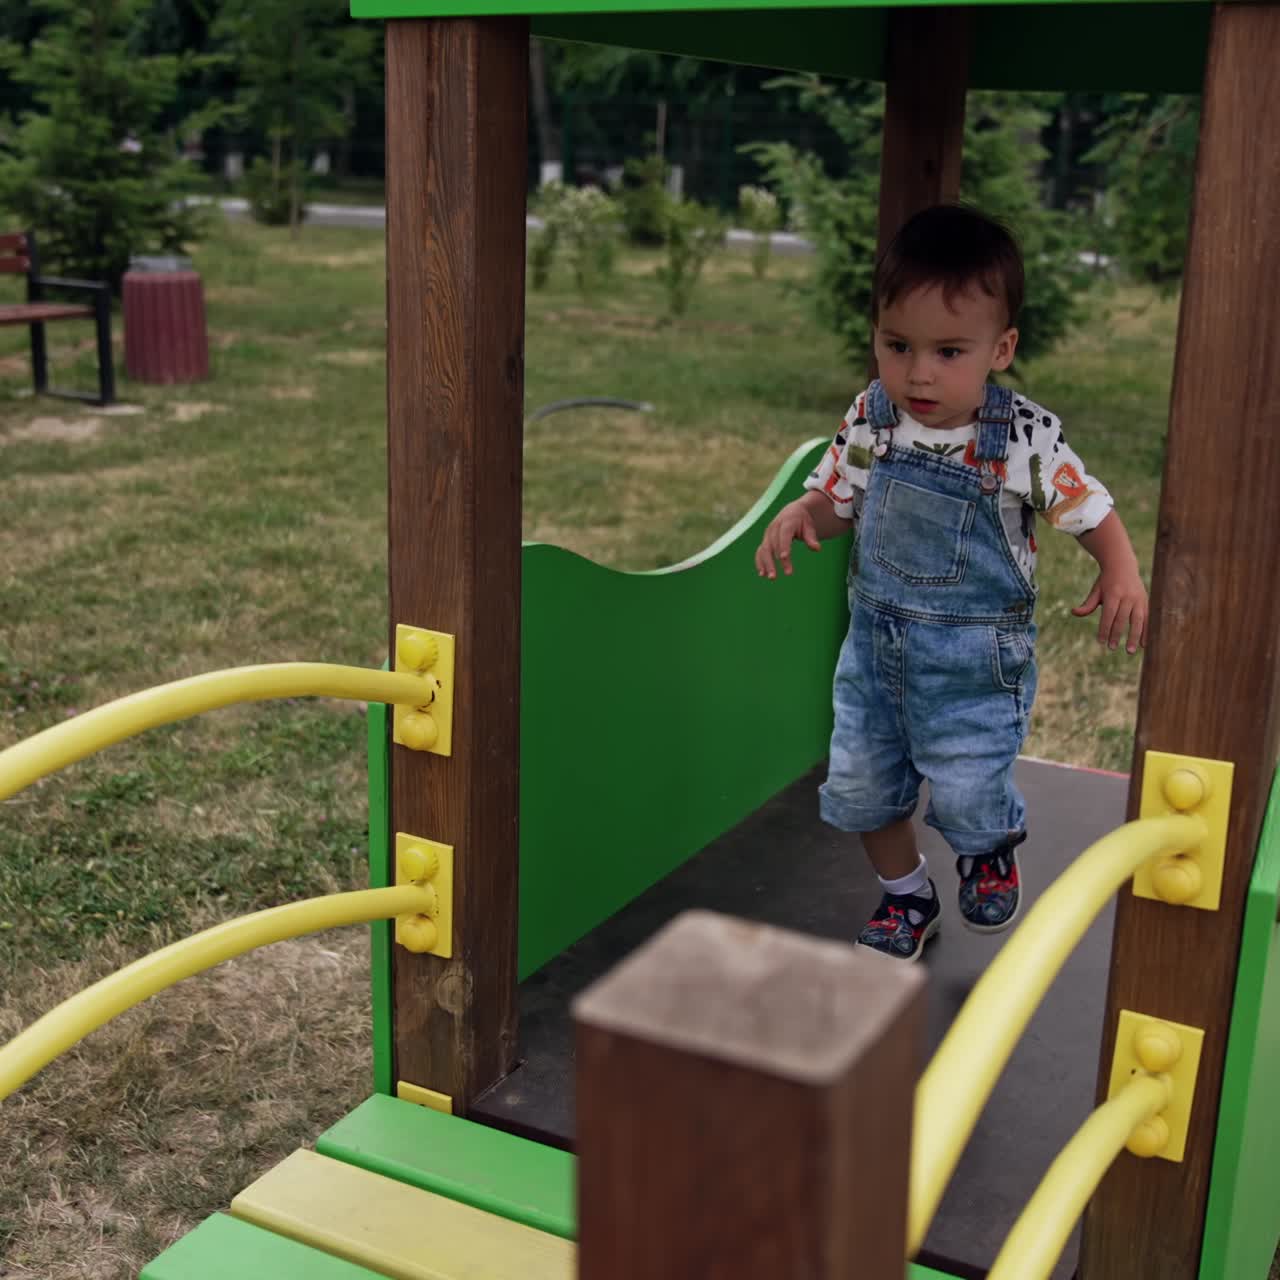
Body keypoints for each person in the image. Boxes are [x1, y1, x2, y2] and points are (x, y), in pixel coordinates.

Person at [754, 203, 1148, 962]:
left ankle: (988, 847)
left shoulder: (1020, 438)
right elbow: (841, 500)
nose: (918, 371)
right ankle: (907, 899)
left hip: (974, 665)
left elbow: (1086, 504)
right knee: (863, 792)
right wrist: (805, 512)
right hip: (875, 659)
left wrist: (1118, 563)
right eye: (897, 345)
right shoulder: (872, 417)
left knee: (968, 791)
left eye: (948, 351)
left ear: (1000, 348)